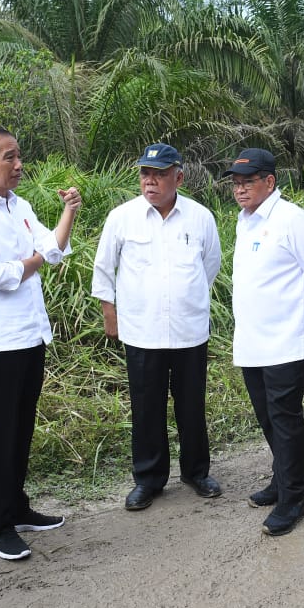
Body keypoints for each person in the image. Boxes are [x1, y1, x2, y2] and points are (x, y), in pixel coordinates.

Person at [0, 126, 82, 560]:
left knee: (22, 426)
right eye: (9, 157)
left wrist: (69, 212)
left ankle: (19, 507)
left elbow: (52, 249)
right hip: (1, 339)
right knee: (1, 432)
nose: (19, 164)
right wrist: (39, 259)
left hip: (32, 333)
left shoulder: (19, 206)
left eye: (19, 155)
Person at [92, 143, 223, 511]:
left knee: (191, 406)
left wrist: (185, 297)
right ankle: (148, 480)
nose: (150, 181)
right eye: (145, 173)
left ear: (178, 177)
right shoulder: (122, 218)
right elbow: (104, 268)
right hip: (141, 330)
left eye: (160, 174)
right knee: (147, 407)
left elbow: (209, 266)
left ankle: (197, 473)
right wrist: (110, 313)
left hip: (189, 330)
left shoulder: (200, 218)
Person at [225, 148, 304, 536]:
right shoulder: (245, 221)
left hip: (288, 341)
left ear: (269, 182)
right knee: (266, 416)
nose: (240, 190)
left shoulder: (292, 219)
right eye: (236, 183)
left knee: (285, 418)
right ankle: (281, 479)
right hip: (253, 340)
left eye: (247, 182)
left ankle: (294, 498)